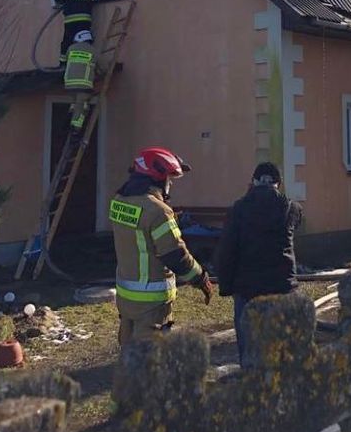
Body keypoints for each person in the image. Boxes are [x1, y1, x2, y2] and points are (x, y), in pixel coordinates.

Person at [108, 147, 214, 346]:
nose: (170, 183)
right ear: (158, 178)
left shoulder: (118, 201)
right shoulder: (158, 211)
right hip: (152, 304)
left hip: (126, 298)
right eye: (169, 178)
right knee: (150, 365)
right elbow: (176, 256)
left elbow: (139, 234)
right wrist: (201, 279)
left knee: (129, 357)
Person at [213, 162, 303, 366]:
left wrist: (227, 286)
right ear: (278, 184)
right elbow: (297, 221)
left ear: (253, 182)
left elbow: (226, 251)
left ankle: (252, 390)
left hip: (247, 290)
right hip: (282, 289)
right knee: (281, 349)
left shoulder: (239, 208)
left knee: (249, 351)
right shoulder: (291, 207)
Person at [54, 0, 96, 64]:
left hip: (71, 20)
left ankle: (63, 64)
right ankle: (85, 62)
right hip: (85, 20)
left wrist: (67, 0)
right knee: (84, 41)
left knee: (67, 42)